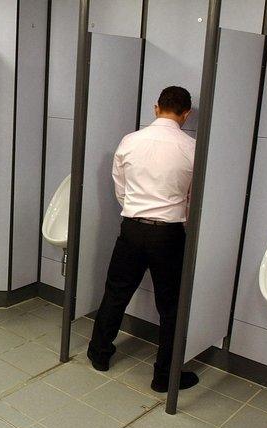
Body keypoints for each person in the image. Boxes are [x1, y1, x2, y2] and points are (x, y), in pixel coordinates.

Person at [87, 86, 198, 393]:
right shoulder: (192, 147)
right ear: (186, 114)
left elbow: (119, 187)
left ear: (155, 108)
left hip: (132, 229)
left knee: (115, 293)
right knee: (171, 306)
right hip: (169, 235)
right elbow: (194, 197)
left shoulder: (130, 141)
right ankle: (164, 376)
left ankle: (99, 355)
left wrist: (135, 209)